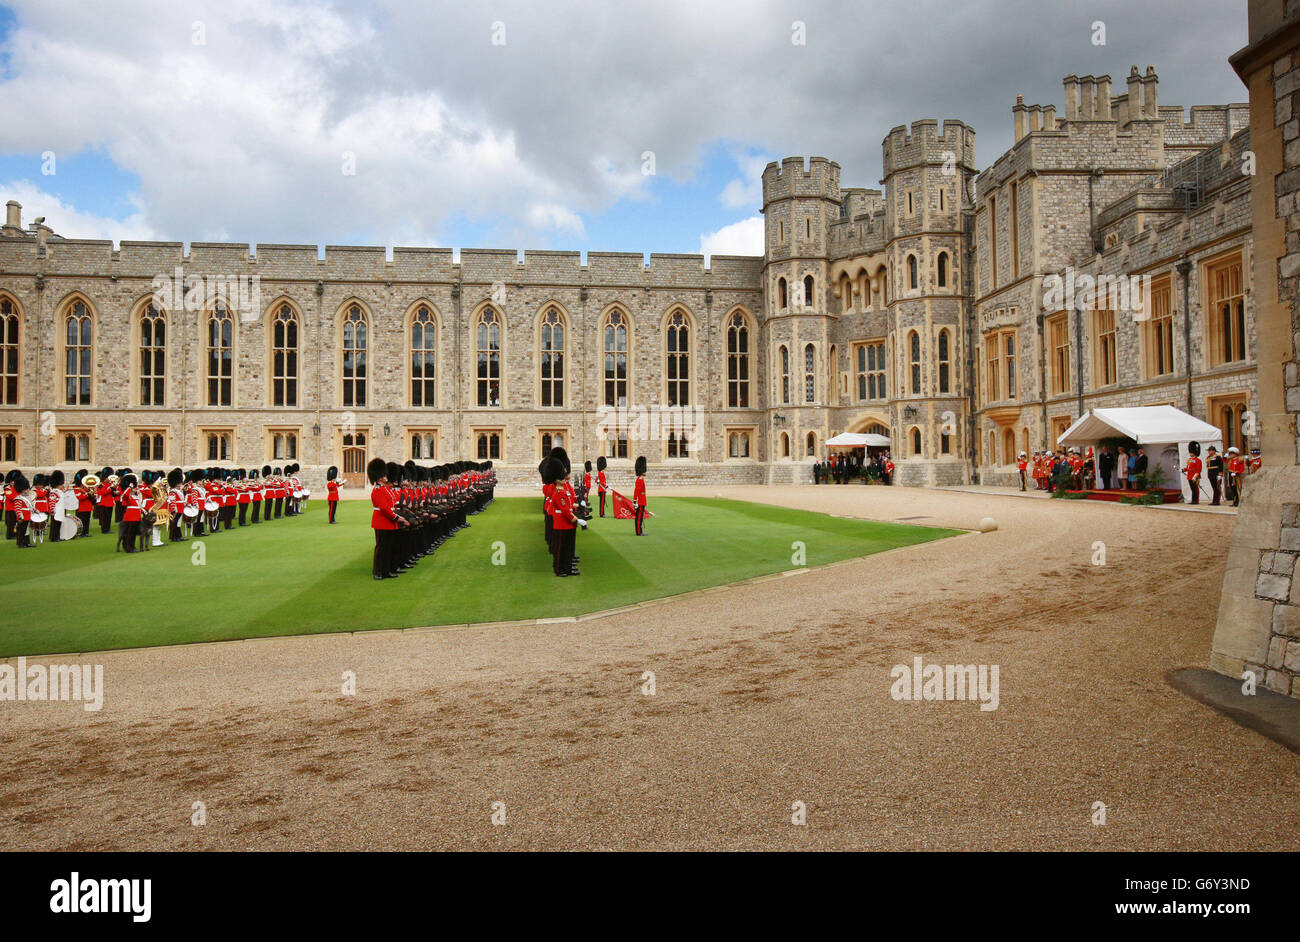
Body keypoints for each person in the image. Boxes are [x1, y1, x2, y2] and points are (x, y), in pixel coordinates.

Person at [368, 458, 399, 580]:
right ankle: (377, 571)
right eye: (383, 474)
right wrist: (396, 517)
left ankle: (386, 570)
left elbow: (392, 503)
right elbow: (384, 508)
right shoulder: (378, 489)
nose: (386, 476)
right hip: (382, 521)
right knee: (381, 548)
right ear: (379, 476)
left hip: (389, 521)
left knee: (389, 547)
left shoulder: (385, 488)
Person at [1183, 441, 1203, 505]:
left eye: (1191, 452)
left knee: (1195, 489)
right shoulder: (1189, 459)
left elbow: (1198, 469)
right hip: (1189, 475)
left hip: (1194, 476)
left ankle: (1196, 500)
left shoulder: (1198, 460)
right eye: (1190, 452)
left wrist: (1195, 476)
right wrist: (1183, 469)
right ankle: (1193, 500)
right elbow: (1188, 467)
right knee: (1192, 489)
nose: (1190, 454)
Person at [633, 455, 648, 536]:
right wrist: (635, 501)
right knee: (639, 518)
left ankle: (640, 531)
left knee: (640, 517)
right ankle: (639, 532)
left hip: (642, 501)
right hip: (640, 502)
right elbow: (636, 491)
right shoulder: (640, 480)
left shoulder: (640, 479)